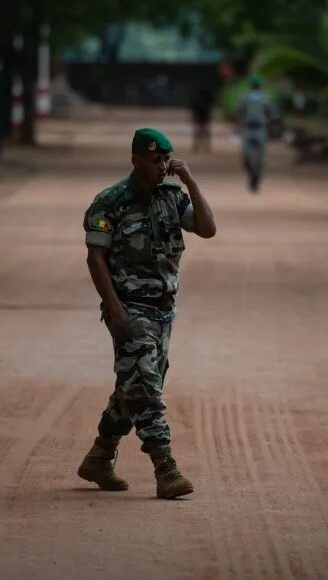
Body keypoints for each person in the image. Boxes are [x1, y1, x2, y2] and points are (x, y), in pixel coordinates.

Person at [77, 128, 217, 499]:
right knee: (146, 388)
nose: (161, 168)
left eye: (165, 161)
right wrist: (115, 310)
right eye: (155, 161)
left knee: (134, 385)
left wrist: (188, 178)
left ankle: (99, 456)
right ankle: (165, 468)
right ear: (136, 160)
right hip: (129, 308)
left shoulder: (172, 197)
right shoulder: (110, 202)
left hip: (163, 311)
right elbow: (96, 258)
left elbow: (208, 228)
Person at [237, 75, 278, 193]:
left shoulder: (245, 97)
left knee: (246, 155)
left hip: (248, 128)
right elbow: (273, 114)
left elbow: (239, 112)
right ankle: (257, 177)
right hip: (261, 128)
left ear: (251, 85)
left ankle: (252, 175)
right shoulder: (265, 98)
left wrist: (238, 127)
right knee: (261, 155)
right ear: (260, 86)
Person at [189, 87, 214, 154]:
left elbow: (193, 107)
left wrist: (193, 116)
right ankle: (207, 146)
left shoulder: (196, 98)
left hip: (199, 116)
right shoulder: (207, 98)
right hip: (205, 116)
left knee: (197, 131)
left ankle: (196, 145)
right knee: (206, 130)